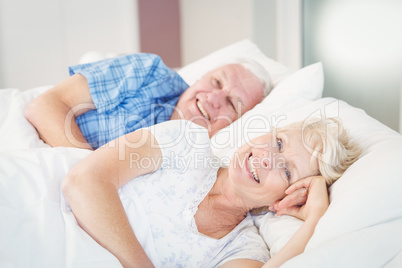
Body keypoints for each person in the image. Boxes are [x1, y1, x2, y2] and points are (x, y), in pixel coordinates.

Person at [62, 117, 361, 267]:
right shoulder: (185, 141)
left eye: (287, 171)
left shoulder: (243, 250)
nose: (269, 157)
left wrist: (314, 221)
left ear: (290, 196)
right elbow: (82, 182)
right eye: (279, 143)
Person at [24, 53, 272, 150]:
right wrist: (90, 171)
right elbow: (45, 106)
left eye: (232, 102)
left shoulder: (199, 164)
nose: (212, 98)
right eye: (217, 82)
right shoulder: (148, 73)